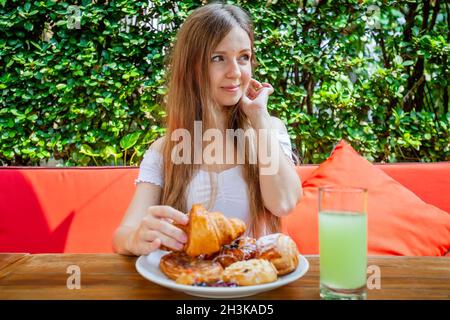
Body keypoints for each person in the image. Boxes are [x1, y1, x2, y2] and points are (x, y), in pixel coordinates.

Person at [113, 3, 302, 256]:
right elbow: (123, 234)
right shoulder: (166, 149)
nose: (235, 72)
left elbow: (284, 203)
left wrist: (259, 118)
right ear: (192, 68)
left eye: (243, 57)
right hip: (191, 283)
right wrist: (136, 238)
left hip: (255, 283)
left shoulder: (268, 128)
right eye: (218, 58)